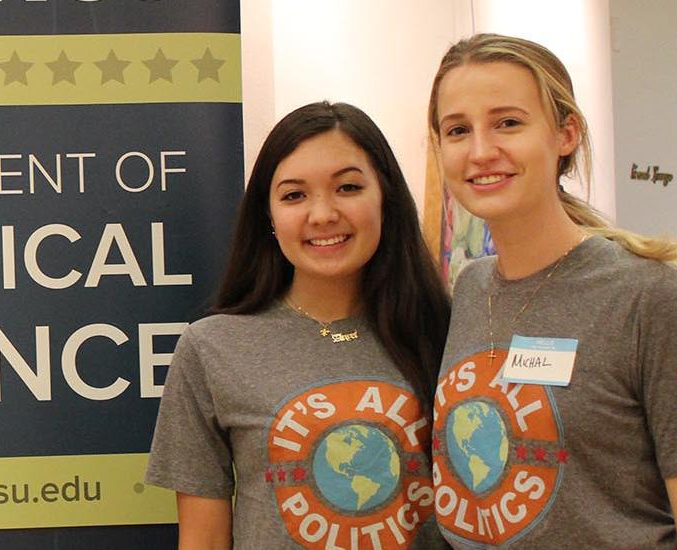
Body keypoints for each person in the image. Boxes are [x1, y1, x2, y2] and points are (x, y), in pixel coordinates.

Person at [427, 33, 677, 549]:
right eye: (459, 130)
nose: (481, 151)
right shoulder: (472, 287)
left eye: (508, 123)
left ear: (565, 134)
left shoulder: (649, 295)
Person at [145, 102, 451, 549]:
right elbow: (204, 539)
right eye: (294, 195)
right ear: (268, 217)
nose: (323, 214)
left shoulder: (444, 329)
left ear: (385, 196)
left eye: (347, 187)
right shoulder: (211, 348)